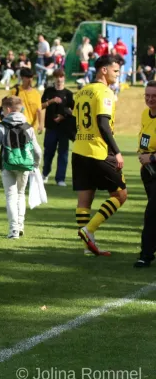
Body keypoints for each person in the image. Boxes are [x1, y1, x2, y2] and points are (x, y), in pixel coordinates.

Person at [73, 54, 126, 257]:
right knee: (120, 194)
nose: (117, 75)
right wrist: (117, 151)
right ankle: (89, 231)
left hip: (79, 150)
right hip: (99, 150)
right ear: (104, 70)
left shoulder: (82, 91)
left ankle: (88, 247)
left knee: (85, 199)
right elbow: (103, 123)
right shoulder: (104, 92)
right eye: (115, 71)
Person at [0, 96, 42, 238]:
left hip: (7, 165)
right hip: (25, 165)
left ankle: (13, 230)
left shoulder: (1, 126)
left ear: (7, 109)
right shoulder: (28, 127)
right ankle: (20, 225)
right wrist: (35, 164)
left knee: (11, 196)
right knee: (20, 195)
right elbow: (37, 151)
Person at [135, 81, 156, 268]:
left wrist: (153, 157)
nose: (150, 99)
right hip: (148, 174)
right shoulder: (145, 114)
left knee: (151, 213)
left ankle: (145, 255)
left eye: (154, 96)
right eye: (147, 95)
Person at [41, 68, 74, 186]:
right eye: (57, 77)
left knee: (63, 154)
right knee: (48, 153)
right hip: (50, 127)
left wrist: (63, 116)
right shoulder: (48, 91)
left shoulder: (68, 94)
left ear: (64, 78)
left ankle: (60, 179)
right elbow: (41, 106)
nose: (59, 79)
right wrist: (51, 101)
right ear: (54, 78)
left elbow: (73, 111)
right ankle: (45, 174)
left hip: (64, 129)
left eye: (61, 77)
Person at [11, 68, 43, 133]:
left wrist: (41, 124)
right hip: (17, 126)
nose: (30, 80)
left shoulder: (36, 94)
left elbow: (39, 110)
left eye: (31, 77)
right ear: (22, 78)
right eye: (28, 77)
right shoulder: (15, 91)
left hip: (30, 128)